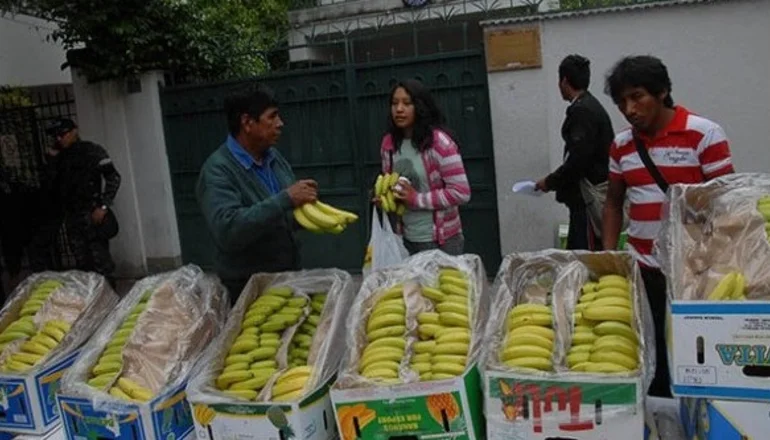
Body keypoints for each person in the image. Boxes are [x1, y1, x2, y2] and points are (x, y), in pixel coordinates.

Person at [602, 55, 735, 397]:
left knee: (695, 358)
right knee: (650, 356)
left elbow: (727, 205)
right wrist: (608, 257)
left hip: (693, 271)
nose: (629, 109)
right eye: (621, 102)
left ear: (662, 92)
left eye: (637, 97)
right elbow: (614, 202)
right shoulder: (621, 146)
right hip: (642, 269)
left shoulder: (704, 135)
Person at [197, 84, 318, 302]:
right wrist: (286, 199)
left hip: (287, 279)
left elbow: (281, 215)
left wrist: (305, 210)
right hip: (246, 289)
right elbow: (228, 229)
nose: (280, 124)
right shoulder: (218, 170)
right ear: (247, 122)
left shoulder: (274, 159)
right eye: (272, 117)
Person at [380, 79, 471, 256]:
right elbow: (390, 183)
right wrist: (385, 198)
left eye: (407, 103)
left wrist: (416, 199)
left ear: (420, 107)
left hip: (442, 241)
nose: (399, 109)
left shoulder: (439, 143)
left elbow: (461, 192)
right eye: (394, 103)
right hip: (404, 239)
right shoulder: (388, 144)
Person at [536, 54, 615, 250]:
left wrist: (550, 181)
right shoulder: (589, 106)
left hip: (587, 199)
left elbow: (578, 160)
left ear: (563, 81)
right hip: (585, 198)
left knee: (584, 255)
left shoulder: (582, 111)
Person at [32, 119, 121, 281]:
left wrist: (103, 206)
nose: (59, 139)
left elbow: (113, 178)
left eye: (62, 134)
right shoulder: (57, 157)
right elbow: (49, 186)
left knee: (101, 260)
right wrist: (51, 162)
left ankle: (110, 295)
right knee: (82, 262)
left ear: (74, 131)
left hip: (91, 213)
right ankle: (91, 299)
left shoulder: (91, 151)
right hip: (71, 215)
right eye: (56, 136)